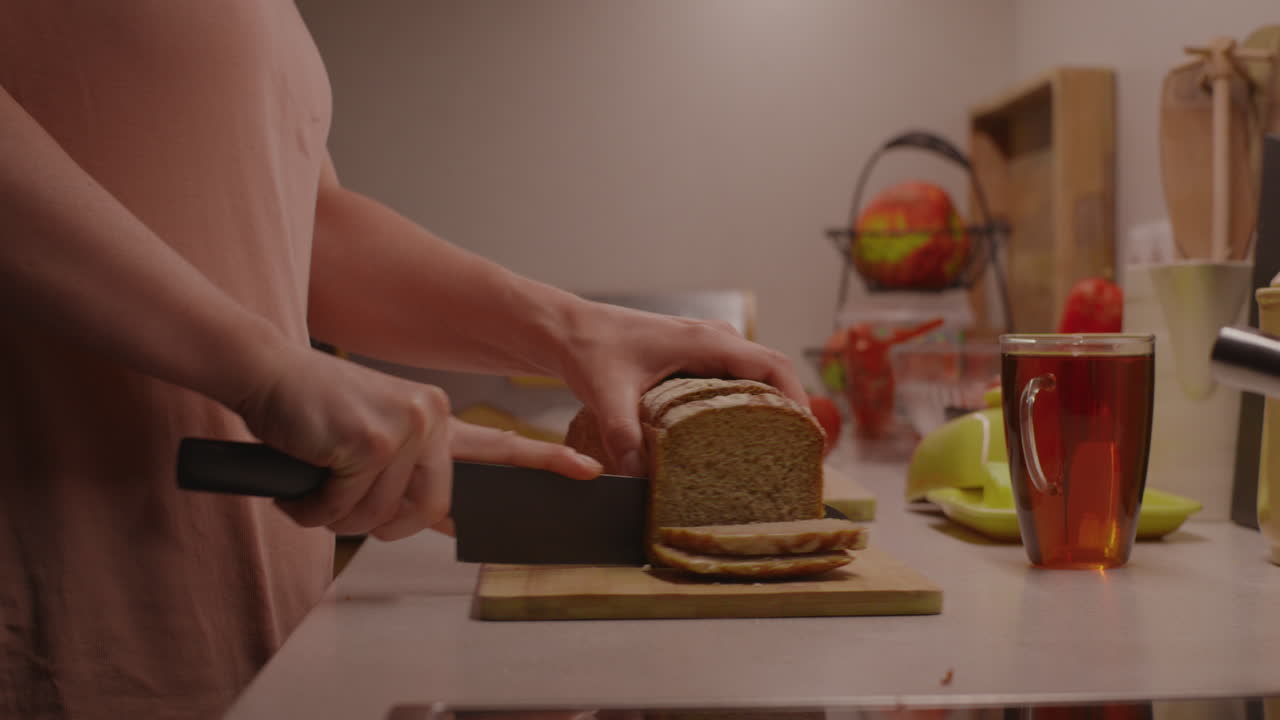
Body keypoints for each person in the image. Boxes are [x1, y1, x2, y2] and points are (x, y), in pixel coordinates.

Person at [0, 4, 805, 719]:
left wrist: (574, 329)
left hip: (252, 635)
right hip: (60, 622)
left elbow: (309, 235)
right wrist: (266, 369)